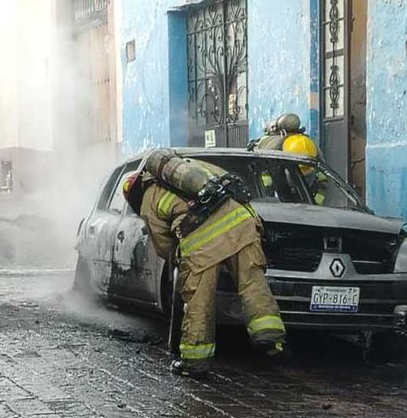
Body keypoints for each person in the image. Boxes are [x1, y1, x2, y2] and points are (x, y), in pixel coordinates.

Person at [124, 148, 286, 377]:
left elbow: (163, 246)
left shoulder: (149, 198)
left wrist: (180, 258)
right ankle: (270, 338)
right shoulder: (194, 167)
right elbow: (233, 187)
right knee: (252, 282)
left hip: (203, 245)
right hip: (243, 224)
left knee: (199, 300)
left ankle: (195, 362)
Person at [251, 112, 328, 205]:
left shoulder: (271, 144)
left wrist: (266, 202)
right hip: (307, 197)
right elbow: (323, 174)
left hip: (282, 197)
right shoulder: (310, 143)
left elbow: (265, 178)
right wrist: (318, 206)